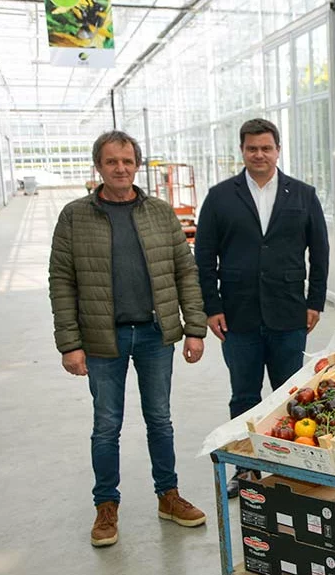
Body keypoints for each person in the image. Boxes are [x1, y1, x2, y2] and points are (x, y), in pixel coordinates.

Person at [48, 130, 208, 548]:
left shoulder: (159, 212)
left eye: (127, 161)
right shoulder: (75, 216)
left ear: (137, 164)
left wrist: (195, 327)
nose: (120, 168)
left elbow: (185, 272)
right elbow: (61, 281)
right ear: (98, 166)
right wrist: (70, 343)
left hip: (156, 335)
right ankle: (106, 506)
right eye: (111, 161)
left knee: (160, 420)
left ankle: (168, 496)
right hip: (103, 339)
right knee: (106, 426)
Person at [194, 118, 330, 497]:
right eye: (252, 148)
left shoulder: (302, 194)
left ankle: (290, 465)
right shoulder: (220, 197)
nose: (259, 155)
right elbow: (204, 257)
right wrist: (212, 306)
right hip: (238, 316)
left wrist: (314, 300)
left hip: (289, 313)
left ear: (277, 150)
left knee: (290, 395)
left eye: (266, 148)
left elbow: (319, 252)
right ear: (242, 151)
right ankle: (246, 468)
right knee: (245, 396)